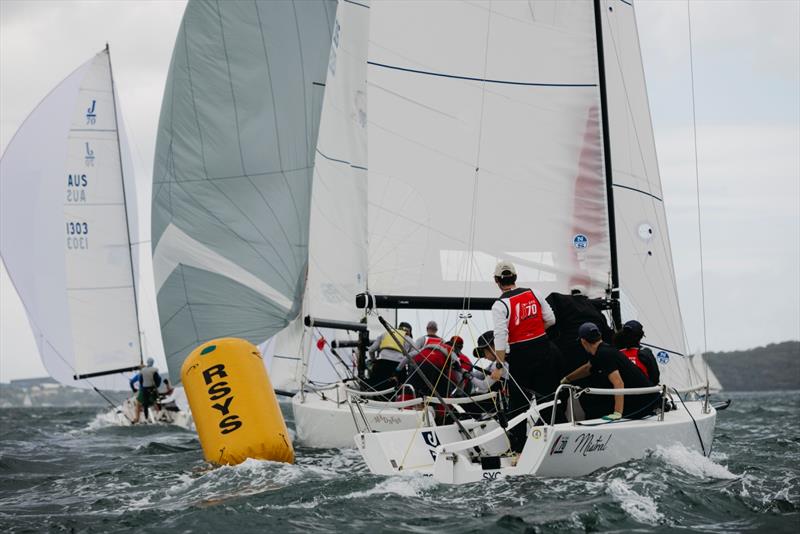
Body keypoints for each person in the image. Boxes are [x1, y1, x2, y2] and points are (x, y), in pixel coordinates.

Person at [491, 260, 558, 452]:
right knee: (547, 398)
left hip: (520, 356)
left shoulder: (500, 305)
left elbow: (500, 336)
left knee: (518, 404)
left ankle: (520, 448)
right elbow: (551, 320)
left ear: (496, 280)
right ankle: (546, 441)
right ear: (515, 277)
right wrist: (535, 332)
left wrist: (498, 365)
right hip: (543, 348)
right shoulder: (534, 292)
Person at [560, 322, 659, 420]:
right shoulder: (602, 350)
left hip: (645, 402)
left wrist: (617, 413)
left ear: (583, 341)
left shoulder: (604, 354)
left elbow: (618, 383)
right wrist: (567, 379)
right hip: (646, 397)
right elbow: (587, 368)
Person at [545, 287, 613, 378]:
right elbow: (608, 337)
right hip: (592, 366)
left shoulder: (558, 300)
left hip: (567, 361)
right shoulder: (597, 314)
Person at [367, 322, 415, 391]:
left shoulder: (384, 334)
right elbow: (412, 357)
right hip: (398, 367)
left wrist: (373, 360)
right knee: (398, 389)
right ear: (409, 332)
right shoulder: (409, 339)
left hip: (382, 364)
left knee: (377, 386)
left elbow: (371, 350)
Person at [614, 320, 660, 385]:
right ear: (641, 336)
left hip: (623, 394)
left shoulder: (616, 355)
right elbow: (655, 379)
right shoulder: (645, 353)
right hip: (644, 393)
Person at [129, 357, 162, 423]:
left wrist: (134, 389)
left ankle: (137, 419)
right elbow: (159, 379)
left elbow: (131, 382)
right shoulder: (153, 372)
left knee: (138, 405)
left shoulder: (139, 375)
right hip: (152, 390)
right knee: (155, 402)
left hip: (143, 391)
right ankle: (159, 416)